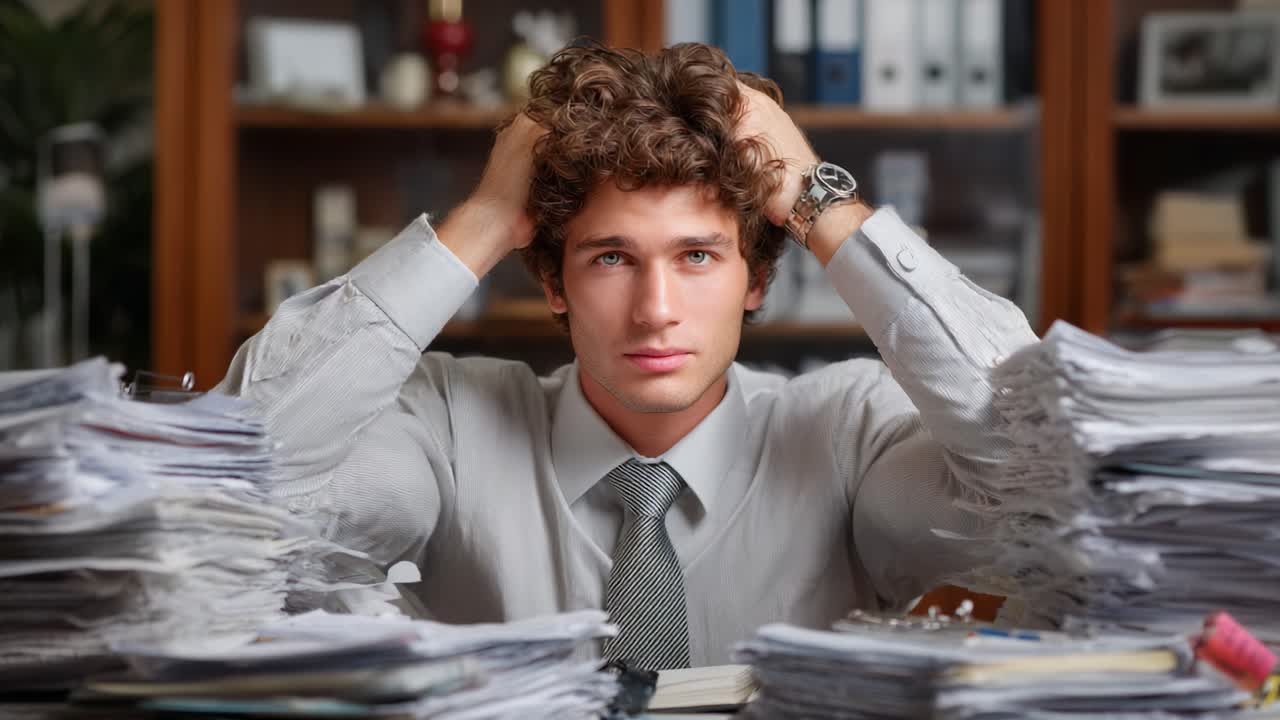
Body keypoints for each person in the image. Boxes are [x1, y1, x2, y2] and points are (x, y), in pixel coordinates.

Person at [217, 42, 1037, 668]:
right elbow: (231, 490)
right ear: (553, 282)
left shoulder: (849, 432)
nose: (655, 312)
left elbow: (1048, 476)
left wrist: (814, 195)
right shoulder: (449, 425)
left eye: (698, 257)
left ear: (756, 281)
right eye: (611, 258)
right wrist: (485, 218)